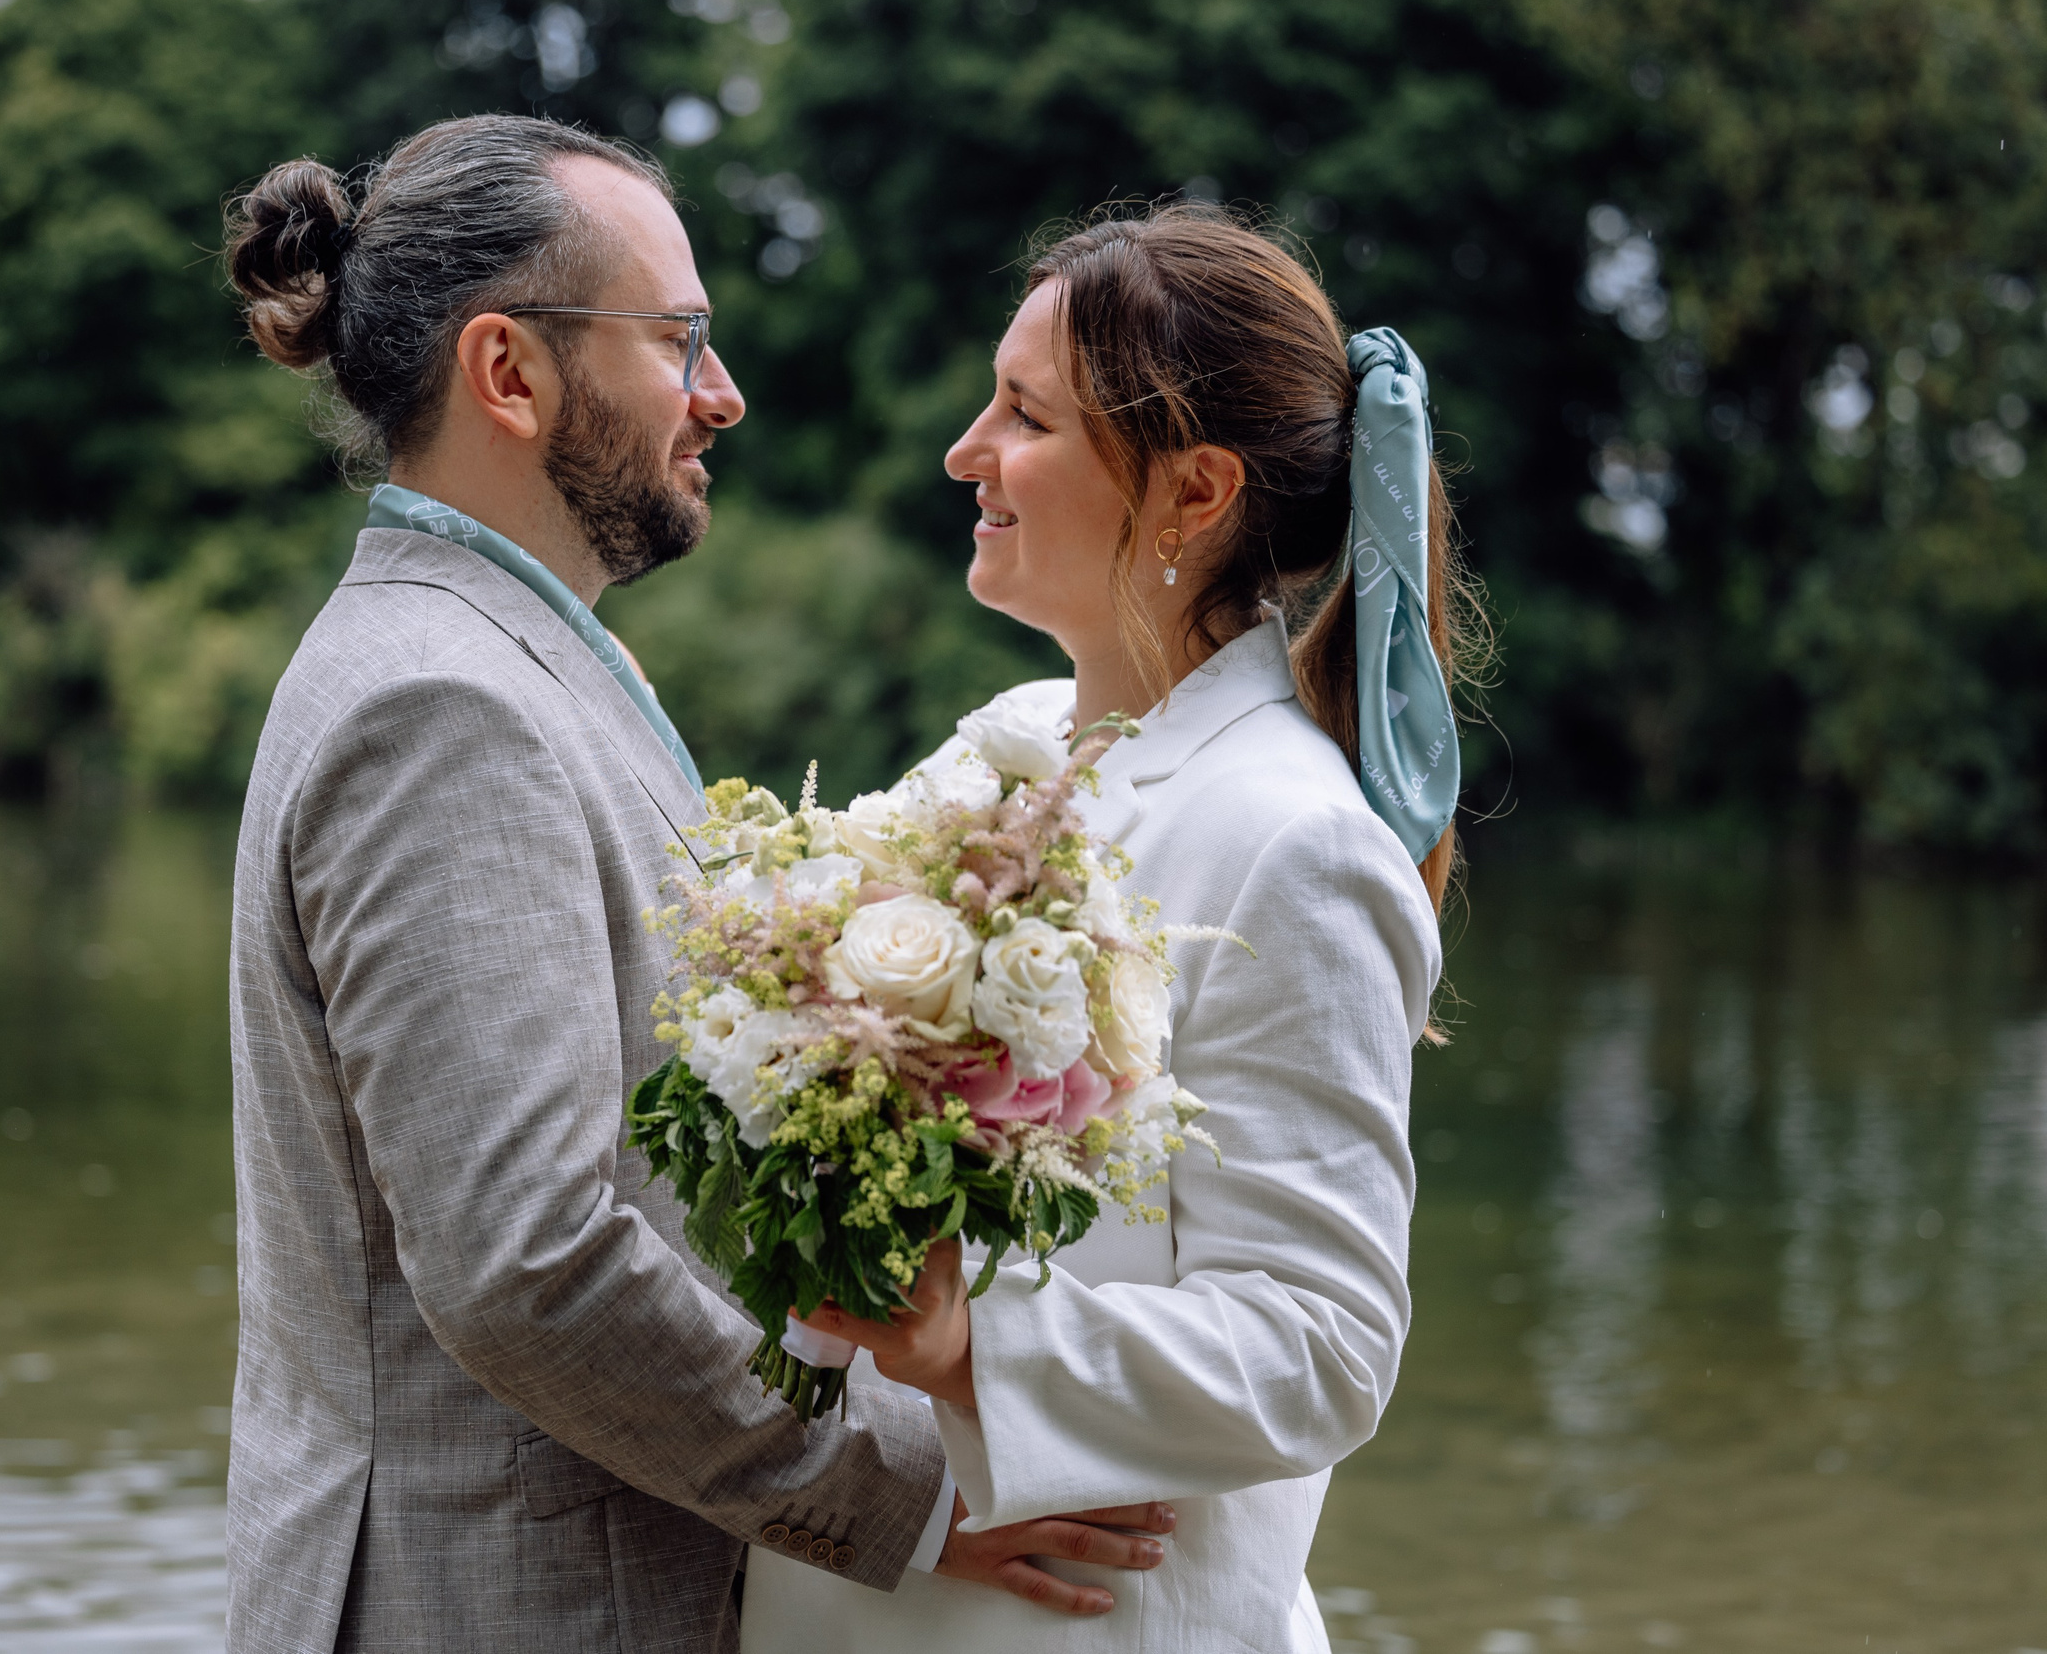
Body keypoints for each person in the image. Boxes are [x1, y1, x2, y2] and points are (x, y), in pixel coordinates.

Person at [220, 115, 1173, 1653]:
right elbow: (529, 1265)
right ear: (509, 373)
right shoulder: (442, 707)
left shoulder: (501, 659)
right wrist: (907, 1488)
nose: (721, 394)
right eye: (677, 340)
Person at [739, 203, 1467, 1651]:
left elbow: (1323, 1348)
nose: (967, 451)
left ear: (1194, 492)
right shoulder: (992, 749)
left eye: (1027, 417)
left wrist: (972, 1347)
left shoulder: (1297, 843)